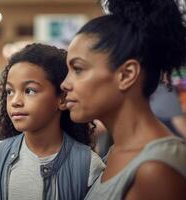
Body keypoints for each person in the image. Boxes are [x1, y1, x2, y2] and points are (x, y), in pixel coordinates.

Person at [60, 0, 186, 199]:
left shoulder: (155, 169)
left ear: (126, 75)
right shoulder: (115, 152)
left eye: (78, 69)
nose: (65, 84)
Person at [0, 43, 105, 200]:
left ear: (62, 99)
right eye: (9, 92)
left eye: (30, 91)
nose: (15, 101)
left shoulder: (89, 166)